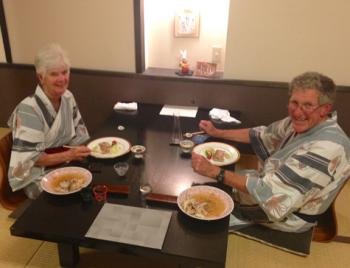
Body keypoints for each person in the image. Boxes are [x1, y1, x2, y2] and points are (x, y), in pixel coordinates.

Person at [192, 71, 350, 232]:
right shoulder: (301, 123)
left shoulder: (328, 147)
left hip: (288, 213)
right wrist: (217, 132)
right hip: (270, 185)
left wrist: (216, 172)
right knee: (201, 190)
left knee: (206, 218)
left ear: (325, 109)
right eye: (294, 102)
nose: (297, 112)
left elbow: (271, 193)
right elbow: (263, 134)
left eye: (308, 105)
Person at [7, 43, 91, 199]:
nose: (62, 79)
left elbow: (78, 136)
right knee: (70, 195)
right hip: (38, 175)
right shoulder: (28, 110)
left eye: (65, 72)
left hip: (66, 164)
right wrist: (70, 155)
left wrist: (82, 152)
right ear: (41, 77)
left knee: (89, 186)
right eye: (54, 74)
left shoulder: (68, 97)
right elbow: (33, 159)